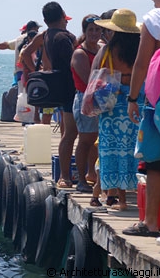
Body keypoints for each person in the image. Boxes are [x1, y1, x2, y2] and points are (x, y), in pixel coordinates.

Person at [20, 2, 77, 188]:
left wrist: (41, 70)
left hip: (53, 85)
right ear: (63, 15)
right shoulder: (65, 37)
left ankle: (64, 173)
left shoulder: (43, 35)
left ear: (44, 20)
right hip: (68, 87)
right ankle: (65, 175)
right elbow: (73, 63)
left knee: (65, 130)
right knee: (69, 132)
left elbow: (25, 54)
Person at [90, 9, 142, 211]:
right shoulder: (140, 50)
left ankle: (115, 197)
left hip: (111, 105)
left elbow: (94, 77)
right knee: (133, 149)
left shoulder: (107, 51)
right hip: (136, 101)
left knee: (111, 150)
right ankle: (133, 197)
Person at [124, 0, 160, 238]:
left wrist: (132, 98)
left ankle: (150, 223)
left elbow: (141, 62)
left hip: (157, 101)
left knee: (156, 161)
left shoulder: (154, 20)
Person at [70, 14, 102, 193]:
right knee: (85, 140)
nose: (94, 33)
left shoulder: (101, 49)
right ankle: (81, 179)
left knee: (95, 140)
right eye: (91, 30)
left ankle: (92, 173)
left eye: (98, 29)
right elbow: (90, 80)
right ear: (85, 31)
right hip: (86, 100)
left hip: (100, 100)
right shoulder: (79, 53)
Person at [0, 20, 42, 86]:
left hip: (19, 71)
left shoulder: (18, 39)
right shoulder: (37, 38)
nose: (38, 31)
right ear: (33, 28)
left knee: (20, 93)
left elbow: (6, 45)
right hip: (32, 71)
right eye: (37, 29)